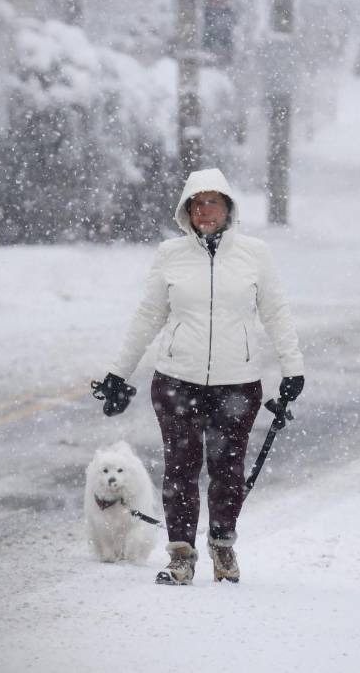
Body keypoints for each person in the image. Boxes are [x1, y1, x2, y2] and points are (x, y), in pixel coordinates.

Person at [91, 167, 305, 586]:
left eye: (213, 202)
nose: (203, 211)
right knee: (180, 469)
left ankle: (223, 545)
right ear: (185, 211)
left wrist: (292, 369)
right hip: (177, 380)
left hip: (237, 381)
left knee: (227, 470)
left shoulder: (254, 254)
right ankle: (181, 556)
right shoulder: (170, 255)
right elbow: (149, 315)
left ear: (228, 209)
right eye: (196, 203)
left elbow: (275, 312)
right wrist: (119, 372)